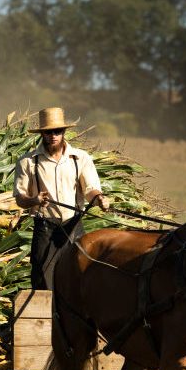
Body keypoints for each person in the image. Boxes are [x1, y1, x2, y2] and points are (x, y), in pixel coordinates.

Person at [13, 107, 110, 290]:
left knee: (80, 276)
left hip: (73, 226)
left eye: (57, 131)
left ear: (64, 132)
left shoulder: (80, 158)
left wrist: (100, 199)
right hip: (45, 228)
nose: (53, 135)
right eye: (49, 132)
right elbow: (20, 198)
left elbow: (90, 189)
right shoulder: (27, 161)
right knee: (43, 278)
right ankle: (46, 317)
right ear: (42, 133)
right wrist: (34, 200)